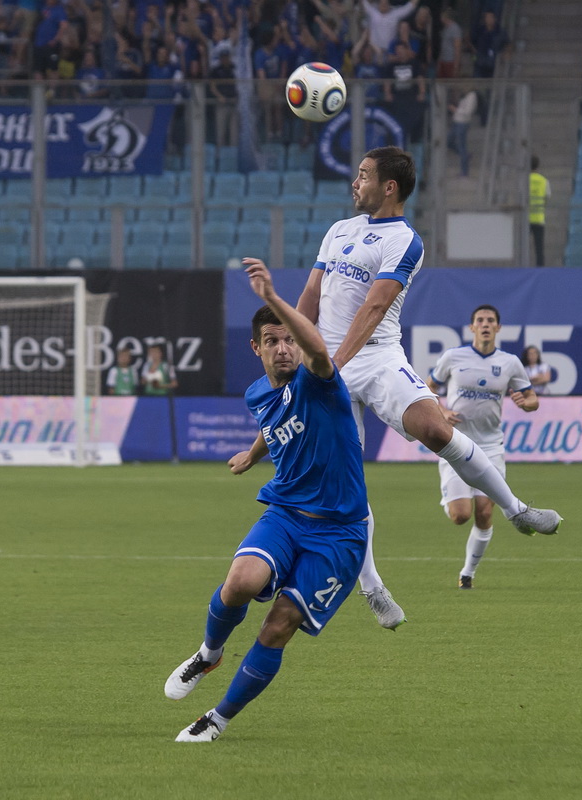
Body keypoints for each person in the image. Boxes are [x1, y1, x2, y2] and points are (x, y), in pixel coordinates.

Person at [232, 146, 562, 631]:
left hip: (376, 357)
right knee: (346, 481)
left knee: (436, 430)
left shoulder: (405, 241)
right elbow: (311, 295)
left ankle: (516, 510)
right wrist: (309, 350)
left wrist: (332, 364)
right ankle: (372, 587)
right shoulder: (339, 230)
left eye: (363, 175)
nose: (355, 182)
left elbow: (374, 308)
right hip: (329, 361)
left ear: (389, 187)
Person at [165, 258, 369, 743]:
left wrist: (274, 299)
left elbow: (320, 351)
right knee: (240, 581)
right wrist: (255, 454)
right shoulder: (259, 393)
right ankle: (209, 654)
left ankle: (217, 719)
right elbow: (275, 423)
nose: (284, 349)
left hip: (339, 534)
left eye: (290, 340)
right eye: (272, 341)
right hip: (286, 514)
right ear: (255, 348)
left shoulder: (320, 379)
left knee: (277, 626)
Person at [427, 306, 539, 589]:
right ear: (472, 327)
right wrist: (440, 411)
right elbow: (427, 389)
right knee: (460, 516)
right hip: (455, 445)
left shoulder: (510, 362)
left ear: (498, 328)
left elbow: (531, 397)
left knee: (485, 512)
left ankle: (467, 574)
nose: (485, 324)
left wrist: (528, 404)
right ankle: (451, 497)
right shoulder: (453, 357)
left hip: (490, 446)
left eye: (491, 321)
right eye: (480, 321)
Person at [447, 87, 478, 177]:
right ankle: (465, 155)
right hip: (456, 121)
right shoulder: (464, 96)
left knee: (462, 145)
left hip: (463, 123)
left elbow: (467, 112)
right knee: (449, 141)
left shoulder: (472, 96)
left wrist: (455, 110)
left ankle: (464, 171)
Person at [529, 155, 551, 266]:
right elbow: (547, 197)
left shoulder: (523, 180)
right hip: (539, 218)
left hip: (525, 219)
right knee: (539, 249)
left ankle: (522, 268)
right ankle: (540, 270)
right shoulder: (544, 181)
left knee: (522, 247)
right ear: (537, 166)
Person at [437, 7, 462, 79]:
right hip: (443, 61)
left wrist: (456, 65)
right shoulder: (445, 29)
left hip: (451, 61)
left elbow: (457, 47)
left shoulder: (455, 28)